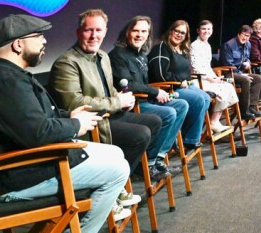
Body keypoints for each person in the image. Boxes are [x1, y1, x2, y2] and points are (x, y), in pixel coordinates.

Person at [0, 14, 128, 233]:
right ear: (18, 44)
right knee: (117, 170)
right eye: (38, 36)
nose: (44, 42)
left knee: (114, 153)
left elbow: (34, 120)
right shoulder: (4, 81)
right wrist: (75, 126)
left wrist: (68, 117)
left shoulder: (9, 76)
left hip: (29, 166)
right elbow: (37, 134)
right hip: (14, 179)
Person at [49, 9, 170, 180]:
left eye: (98, 30)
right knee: (141, 134)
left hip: (109, 114)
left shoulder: (103, 56)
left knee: (156, 121)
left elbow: (108, 88)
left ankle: (130, 171)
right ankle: (114, 180)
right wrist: (117, 102)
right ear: (78, 32)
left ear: (105, 32)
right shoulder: (66, 63)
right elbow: (74, 103)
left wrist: (124, 99)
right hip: (91, 123)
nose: (94, 36)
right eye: (88, 30)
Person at [107, 15, 189, 178]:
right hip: (133, 105)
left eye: (144, 31)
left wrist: (161, 93)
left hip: (146, 100)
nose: (140, 35)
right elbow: (128, 85)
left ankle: (159, 157)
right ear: (127, 32)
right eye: (135, 31)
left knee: (181, 105)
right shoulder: (118, 55)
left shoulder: (142, 55)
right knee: (169, 113)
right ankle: (148, 164)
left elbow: (145, 84)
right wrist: (155, 92)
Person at [146, 20, 212, 150]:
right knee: (197, 99)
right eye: (177, 31)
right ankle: (189, 139)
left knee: (206, 97)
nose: (179, 35)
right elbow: (161, 75)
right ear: (170, 31)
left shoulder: (182, 50)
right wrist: (180, 81)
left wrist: (186, 81)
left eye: (183, 33)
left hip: (180, 85)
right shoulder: (162, 48)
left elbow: (186, 73)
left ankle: (185, 135)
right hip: (167, 88)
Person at [190, 20, 238, 134]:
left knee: (228, 86)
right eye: (203, 29)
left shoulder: (207, 45)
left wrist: (215, 78)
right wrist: (210, 79)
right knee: (221, 90)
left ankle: (214, 121)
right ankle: (212, 123)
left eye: (209, 29)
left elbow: (207, 67)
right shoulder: (194, 45)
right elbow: (195, 67)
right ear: (198, 31)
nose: (206, 31)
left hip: (208, 78)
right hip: (197, 79)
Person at [220, 24, 261, 121]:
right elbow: (228, 65)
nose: (245, 38)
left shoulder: (248, 44)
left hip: (241, 72)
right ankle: (244, 111)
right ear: (239, 34)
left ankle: (251, 107)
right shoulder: (228, 45)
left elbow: (247, 58)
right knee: (245, 80)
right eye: (244, 35)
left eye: (248, 36)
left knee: (258, 78)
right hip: (229, 73)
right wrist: (241, 74)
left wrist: (248, 63)